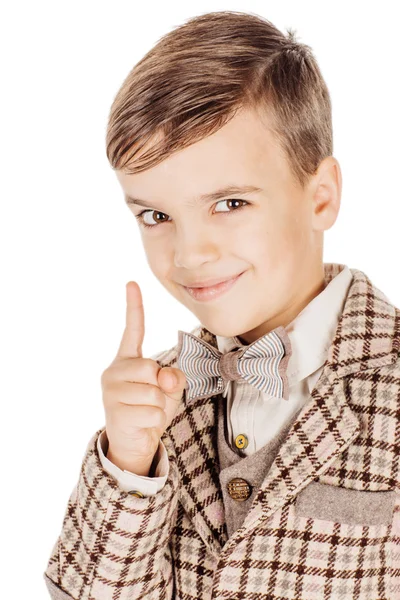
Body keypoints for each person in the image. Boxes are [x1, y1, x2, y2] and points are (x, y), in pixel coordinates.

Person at [43, 10, 400, 600]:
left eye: (230, 203)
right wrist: (128, 465)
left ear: (321, 198)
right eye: (156, 216)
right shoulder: (158, 403)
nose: (189, 253)